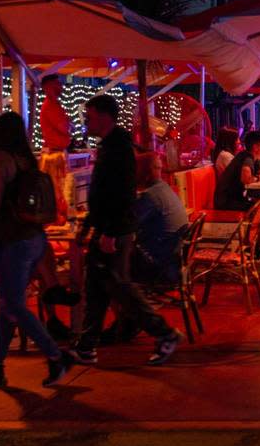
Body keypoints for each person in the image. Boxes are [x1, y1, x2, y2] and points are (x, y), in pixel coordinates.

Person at [72, 95, 182, 366]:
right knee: (96, 285)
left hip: (114, 230)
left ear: (105, 116)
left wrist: (108, 230)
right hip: (109, 226)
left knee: (119, 285)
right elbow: (104, 193)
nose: (86, 120)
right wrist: (89, 225)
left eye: (90, 115)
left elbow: (120, 192)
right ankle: (86, 346)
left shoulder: (118, 148)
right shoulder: (112, 145)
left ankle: (164, 332)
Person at [0, 112, 75, 387]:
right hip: (34, 238)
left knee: (12, 303)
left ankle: (56, 356)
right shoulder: (26, 159)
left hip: (12, 241)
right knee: (7, 304)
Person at [214, 130, 260, 262]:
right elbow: (246, 178)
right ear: (256, 147)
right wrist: (259, 177)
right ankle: (255, 249)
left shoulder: (250, 156)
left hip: (234, 198)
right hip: (226, 201)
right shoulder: (246, 158)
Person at [133, 153, 190, 285]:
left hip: (159, 263)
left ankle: (129, 301)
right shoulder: (165, 188)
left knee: (116, 252)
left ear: (142, 172)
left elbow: (131, 224)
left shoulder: (150, 196)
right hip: (174, 259)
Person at [38, 74, 73, 224]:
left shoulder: (55, 105)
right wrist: (68, 125)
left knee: (60, 190)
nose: (61, 87)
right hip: (53, 155)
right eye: (57, 84)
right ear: (47, 88)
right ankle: (57, 222)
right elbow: (65, 127)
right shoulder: (50, 106)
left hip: (57, 153)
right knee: (57, 191)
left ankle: (59, 219)